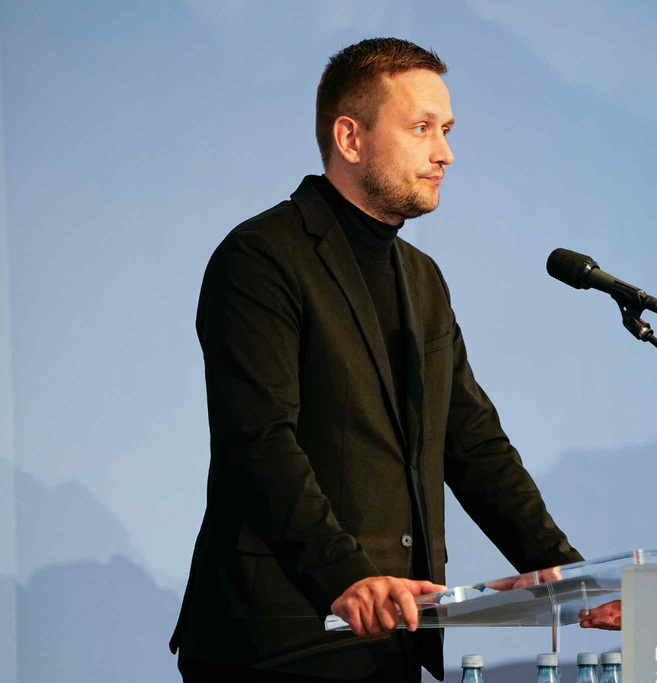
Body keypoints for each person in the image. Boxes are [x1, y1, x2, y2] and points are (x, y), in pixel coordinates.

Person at [169, 38, 618, 683]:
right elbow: (259, 443)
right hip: (281, 640)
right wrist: (346, 577)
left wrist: (573, 578)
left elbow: (473, 444)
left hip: (396, 641)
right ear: (350, 139)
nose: (445, 153)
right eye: (421, 128)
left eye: (447, 130)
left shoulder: (422, 278)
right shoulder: (261, 258)